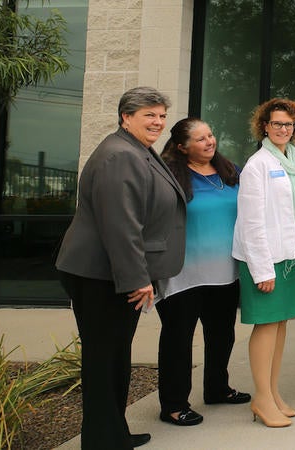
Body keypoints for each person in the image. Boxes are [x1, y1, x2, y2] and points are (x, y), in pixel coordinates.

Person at [55, 86, 185, 449]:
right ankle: (102, 440)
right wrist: (137, 278)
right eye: (149, 115)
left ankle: (113, 434)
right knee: (104, 358)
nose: (158, 122)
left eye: (162, 115)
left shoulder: (136, 149)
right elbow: (120, 224)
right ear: (126, 117)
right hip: (101, 275)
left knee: (114, 356)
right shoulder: (120, 155)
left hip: (111, 272)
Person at [156, 118, 249, 427]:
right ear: (182, 147)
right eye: (200, 139)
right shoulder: (169, 175)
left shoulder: (230, 171)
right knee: (178, 340)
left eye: (210, 135)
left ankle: (217, 389)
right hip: (182, 275)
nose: (210, 141)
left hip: (225, 273)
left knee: (222, 335)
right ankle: (173, 405)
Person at [233, 98, 295, 427]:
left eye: (289, 124)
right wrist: (262, 270)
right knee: (266, 325)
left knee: (280, 325)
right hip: (265, 258)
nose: (283, 129)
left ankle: (272, 392)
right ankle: (262, 398)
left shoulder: (292, 161)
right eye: (277, 123)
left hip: (289, 254)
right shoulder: (258, 165)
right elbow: (251, 222)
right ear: (264, 126)